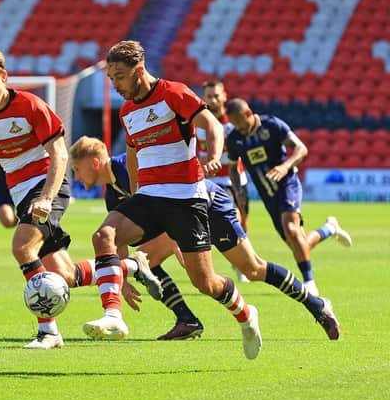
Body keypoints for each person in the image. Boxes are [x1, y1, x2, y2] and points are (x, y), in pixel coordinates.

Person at [0, 46, 160, 350]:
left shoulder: (31, 105)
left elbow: (58, 152)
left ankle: (48, 332)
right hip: (21, 194)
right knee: (64, 275)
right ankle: (130, 266)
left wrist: (46, 196)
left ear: (3, 76)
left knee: (22, 247)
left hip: (48, 185)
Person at [83, 40, 262, 359]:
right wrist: (134, 197)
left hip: (185, 198)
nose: (116, 85)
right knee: (103, 235)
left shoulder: (173, 93)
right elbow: (134, 154)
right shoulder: (127, 111)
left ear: (139, 70)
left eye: (120, 76)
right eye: (111, 78)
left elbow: (212, 126)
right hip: (150, 197)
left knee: (205, 283)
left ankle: (246, 316)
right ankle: (113, 316)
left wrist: (214, 155)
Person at [70, 136, 340, 341]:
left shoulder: (128, 167)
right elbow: (119, 242)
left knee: (253, 268)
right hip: (179, 218)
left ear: (94, 162)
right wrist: (122, 281)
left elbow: (168, 198)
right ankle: (186, 319)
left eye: (77, 168)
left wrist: (176, 245)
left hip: (207, 201)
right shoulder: (112, 195)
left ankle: (317, 304)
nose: (76, 176)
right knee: (146, 261)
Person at [225, 98, 352, 297]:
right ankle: (330, 228)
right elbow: (232, 167)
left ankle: (309, 282)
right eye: (234, 125)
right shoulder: (234, 138)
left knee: (292, 229)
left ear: (248, 114)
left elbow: (301, 148)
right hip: (268, 194)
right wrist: (239, 190)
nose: (238, 129)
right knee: (298, 243)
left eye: (240, 124)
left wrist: (285, 166)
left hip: (287, 184)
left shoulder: (272, 125)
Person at [199, 80, 250, 282]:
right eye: (209, 96)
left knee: (243, 222)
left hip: (236, 179)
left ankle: (241, 262)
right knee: (231, 218)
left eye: (216, 95)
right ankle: (239, 264)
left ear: (224, 96)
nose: (212, 99)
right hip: (212, 182)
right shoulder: (198, 123)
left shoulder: (233, 122)